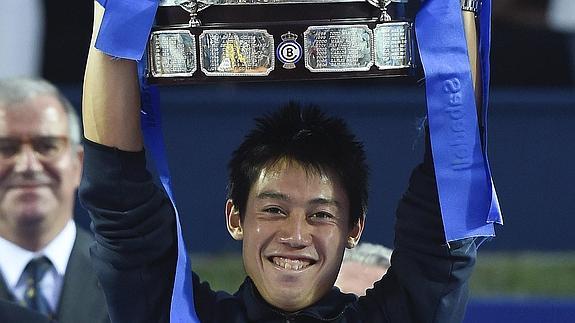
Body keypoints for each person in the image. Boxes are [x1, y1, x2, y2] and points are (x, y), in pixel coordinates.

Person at [79, 2, 481, 322]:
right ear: (235, 218)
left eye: (321, 215)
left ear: (354, 228)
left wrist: (455, 9)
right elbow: (119, 198)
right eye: (274, 209)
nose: (295, 234)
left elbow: (451, 182)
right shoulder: (179, 316)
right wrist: (118, 9)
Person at [0, 78, 110, 323]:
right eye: (6, 148)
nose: (27, 165)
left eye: (46, 146)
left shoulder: (130, 280)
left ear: (78, 164)